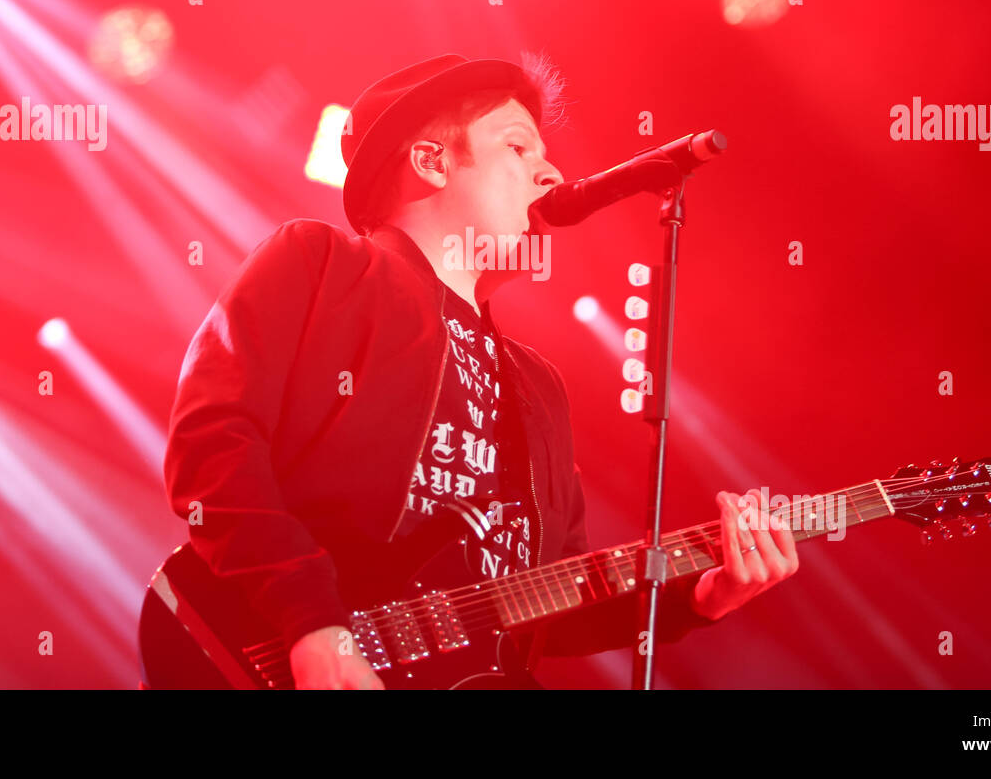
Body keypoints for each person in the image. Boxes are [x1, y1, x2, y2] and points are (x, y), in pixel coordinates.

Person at [163, 53, 800, 689]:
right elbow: (212, 448)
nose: (551, 172)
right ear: (432, 161)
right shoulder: (321, 263)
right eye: (519, 148)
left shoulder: (538, 386)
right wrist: (311, 624)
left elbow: (550, 601)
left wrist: (700, 598)